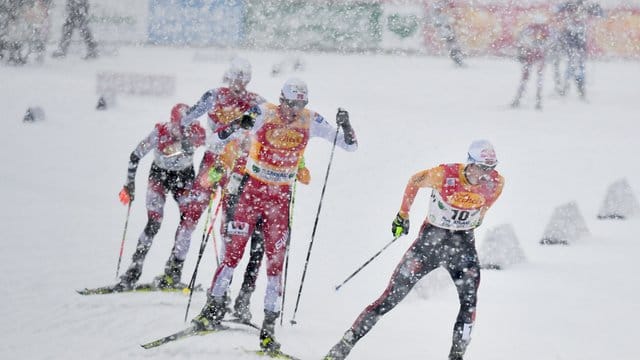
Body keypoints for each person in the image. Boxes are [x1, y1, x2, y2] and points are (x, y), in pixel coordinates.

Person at [190, 78, 358, 354]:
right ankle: (212, 309)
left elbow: (349, 145)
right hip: (252, 193)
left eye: (300, 104)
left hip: (279, 199)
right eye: (291, 103)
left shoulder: (311, 120)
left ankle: (268, 329)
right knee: (233, 254)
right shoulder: (263, 112)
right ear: (281, 100)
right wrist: (237, 125)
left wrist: (346, 124)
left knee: (275, 264)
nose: (294, 110)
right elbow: (222, 135)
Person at [324, 140, 505, 360]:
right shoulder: (444, 174)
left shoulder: (496, 183)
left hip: (463, 248)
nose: (486, 174)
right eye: (482, 168)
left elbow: (484, 208)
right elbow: (414, 181)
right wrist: (403, 214)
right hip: (430, 244)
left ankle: (456, 356)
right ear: (470, 163)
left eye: (491, 168)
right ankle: (345, 345)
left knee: (469, 304)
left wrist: (477, 218)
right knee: (391, 297)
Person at [165, 57, 266, 290]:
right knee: (192, 213)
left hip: (237, 169)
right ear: (228, 76)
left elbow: (272, 121)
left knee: (229, 225)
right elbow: (187, 117)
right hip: (213, 164)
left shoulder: (256, 102)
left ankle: (221, 286)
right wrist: (187, 138)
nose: (238, 82)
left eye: (243, 77)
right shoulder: (214, 96)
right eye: (235, 77)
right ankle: (174, 269)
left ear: (248, 79)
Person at [116, 104, 206, 291]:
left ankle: (174, 271)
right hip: (159, 177)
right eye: (177, 125)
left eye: (185, 125)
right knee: (154, 222)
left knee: (188, 222)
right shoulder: (160, 132)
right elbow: (135, 156)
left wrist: (213, 178)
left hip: (184, 178)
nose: (181, 130)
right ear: (171, 121)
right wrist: (129, 184)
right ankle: (134, 270)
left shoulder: (197, 131)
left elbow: (218, 147)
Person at [555, 0, 603, 99]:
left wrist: (594, 8)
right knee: (572, 65)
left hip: (579, 41)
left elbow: (600, 13)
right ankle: (569, 87)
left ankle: (578, 88)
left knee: (579, 66)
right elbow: (557, 9)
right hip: (571, 40)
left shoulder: (584, 6)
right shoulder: (570, 6)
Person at [511, 20, 551, 110]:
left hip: (534, 56)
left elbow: (521, 38)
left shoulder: (541, 29)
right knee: (532, 78)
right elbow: (521, 38)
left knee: (530, 78)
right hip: (533, 56)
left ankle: (533, 99)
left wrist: (531, 46)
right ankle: (530, 99)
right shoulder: (537, 29)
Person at [429, 0, 465, 67]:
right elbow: (436, 19)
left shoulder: (442, 5)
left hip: (447, 27)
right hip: (445, 28)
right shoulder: (439, 6)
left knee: (452, 43)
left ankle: (457, 58)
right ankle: (457, 58)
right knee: (452, 43)